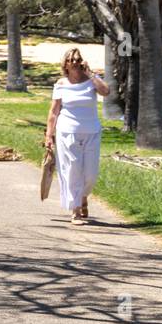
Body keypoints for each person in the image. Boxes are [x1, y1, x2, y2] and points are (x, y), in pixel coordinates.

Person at [45, 47, 109, 225]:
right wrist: (49, 136)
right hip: (67, 132)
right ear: (65, 63)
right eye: (71, 60)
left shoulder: (91, 80)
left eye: (77, 59)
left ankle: (83, 196)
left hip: (92, 131)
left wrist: (91, 74)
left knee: (91, 174)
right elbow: (54, 112)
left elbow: (106, 92)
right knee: (72, 170)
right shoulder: (61, 84)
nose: (75, 62)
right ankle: (76, 211)